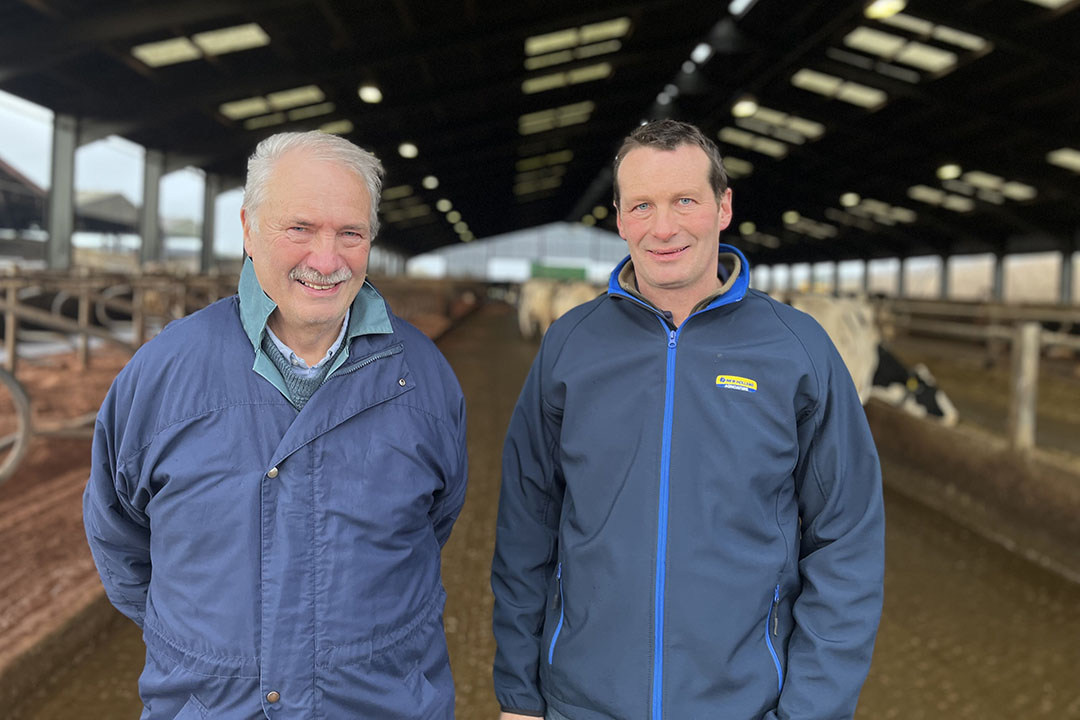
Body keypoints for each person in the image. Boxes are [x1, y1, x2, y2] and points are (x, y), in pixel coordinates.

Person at [491, 119, 884, 720]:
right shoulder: (570, 345)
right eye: (642, 205)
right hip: (582, 702)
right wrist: (519, 695)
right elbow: (526, 526)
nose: (664, 227)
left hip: (745, 705)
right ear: (620, 219)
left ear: (723, 207)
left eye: (685, 201)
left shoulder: (797, 350)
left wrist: (813, 709)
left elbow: (846, 539)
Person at [84, 131, 468, 719]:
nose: (326, 259)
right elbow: (120, 536)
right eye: (300, 228)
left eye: (350, 233)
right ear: (247, 228)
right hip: (212, 705)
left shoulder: (424, 379)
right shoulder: (163, 374)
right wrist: (206, 649)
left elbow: (434, 521)